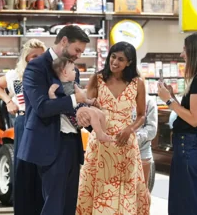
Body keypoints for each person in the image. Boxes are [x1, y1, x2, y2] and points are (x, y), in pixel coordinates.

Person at [16, 25, 90, 215]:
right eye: (77, 50)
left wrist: (84, 111)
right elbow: (41, 107)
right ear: (64, 41)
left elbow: (77, 102)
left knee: (69, 202)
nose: (79, 55)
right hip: (49, 144)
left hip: (72, 144)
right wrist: (75, 100)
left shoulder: (73, 69)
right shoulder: (36, 66)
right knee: (53, 203)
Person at [76, 41, 150, 214]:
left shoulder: (137, 83)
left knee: (126, 186)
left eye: (121, 59)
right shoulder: (98, 78)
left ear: (129, 62)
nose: (115, 62)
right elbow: (86, 107)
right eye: (113, 57)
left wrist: (130, 128)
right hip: (101, 142)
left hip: (125, 143)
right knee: (99, 185)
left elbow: (141, 115)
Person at [157, 32, 197, 215]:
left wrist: (169, 101)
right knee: (183, 200)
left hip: (191, 144)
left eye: (185, 49)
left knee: (188, 203)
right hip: (189, 143)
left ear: (195, 51)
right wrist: (173, 98)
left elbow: (194, 119)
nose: (181, 54)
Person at [0, 38, 46, 212]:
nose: (38, 58)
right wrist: (8, 101)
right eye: (34, 56)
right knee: (23, 167)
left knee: (42, 168)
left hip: (44, 122)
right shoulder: (15, 76)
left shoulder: (48, 74)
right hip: (23, 120)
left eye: (41, 55)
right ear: (26, 57)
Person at [49, 56, 113, 142]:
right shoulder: (59, 87)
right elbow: (56, 103)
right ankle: (100, 135)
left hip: (83, 106)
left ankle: (104, 133)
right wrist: (51, 93)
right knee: (93, 113)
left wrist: (90, 101)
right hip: (74, 113)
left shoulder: (74, 84)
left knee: (101, 113)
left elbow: (83, 98)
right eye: (73, 70)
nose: (75, 72)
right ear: (65, 72)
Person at [136, 94, 158, 189]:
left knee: (143, 193)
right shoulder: (117, 98)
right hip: (119, 155)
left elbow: (152, 130)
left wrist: (133, 139)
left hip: (142, 154)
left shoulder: (149, 101)